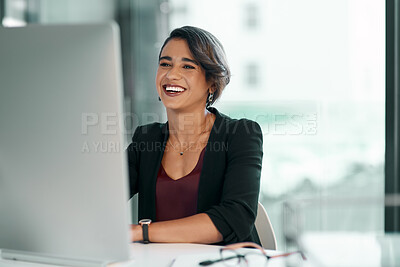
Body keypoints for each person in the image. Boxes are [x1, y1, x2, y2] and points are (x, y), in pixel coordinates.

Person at [127, 26, 263, 245]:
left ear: (212, 82)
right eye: (165, 64)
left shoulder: (240, 134)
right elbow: (105, 197)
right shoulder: (146, 139)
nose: (171, 74)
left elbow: (234, 218)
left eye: (188, 66)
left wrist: (140, 232)